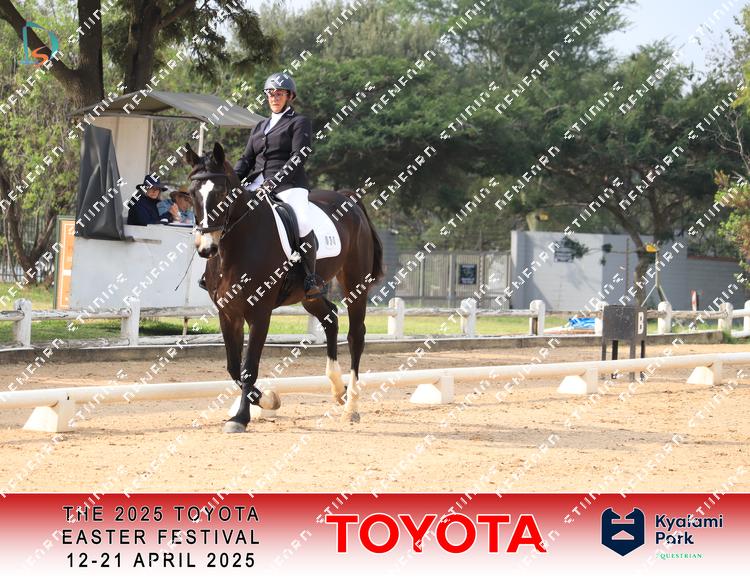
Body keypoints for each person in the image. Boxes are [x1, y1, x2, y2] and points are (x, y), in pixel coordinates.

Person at [232, 72, 324, 299]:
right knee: (228, 212)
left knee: (302, 221)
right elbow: (246, 159)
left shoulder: (299, 122)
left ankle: (310, 277)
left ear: (290, 96)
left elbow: (299, 156)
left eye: (279, 93)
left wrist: (273, 182)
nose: (274, 97)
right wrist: (232, 181)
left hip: (289, 185)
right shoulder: (259, 126)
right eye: (270, 93)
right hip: (256, 183)